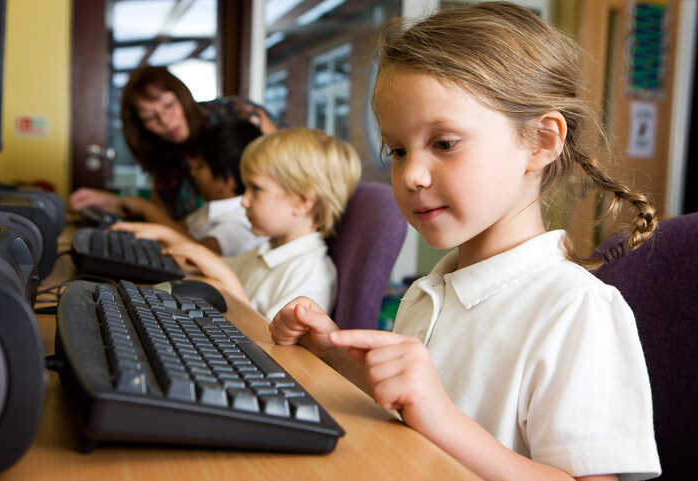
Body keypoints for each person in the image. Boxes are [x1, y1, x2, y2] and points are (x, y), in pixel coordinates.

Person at [268, 3, 661, 481]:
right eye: (396, 150)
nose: (411, 174)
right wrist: (332, 354)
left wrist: (442, 419)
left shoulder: (576, 310)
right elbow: (410, 414)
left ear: (540, 140)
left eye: (445, 143)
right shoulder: (431, 290)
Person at [163, 128, 361, 321]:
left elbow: (274, 346)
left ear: (301, 201)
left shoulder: (311, 274)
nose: (243, 201)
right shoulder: (263, 252)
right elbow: (212, 270)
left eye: (255, 189)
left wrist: (226, 278)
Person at [69, 66, 277, 221]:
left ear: (182, 97)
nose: (166, 121)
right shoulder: (163, 158)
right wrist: (110, 203)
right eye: (151, 118)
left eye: (169, 105)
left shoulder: (234, 112)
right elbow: (164, 217)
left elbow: (283, 171)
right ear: (140, 127)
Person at [110, 119, 265, 257]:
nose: (193, 173)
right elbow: (180, 229)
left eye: (201, 166)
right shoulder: (210, 209)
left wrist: (147, 209)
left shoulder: (238, 223)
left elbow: (201, 256)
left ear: (228, 180)